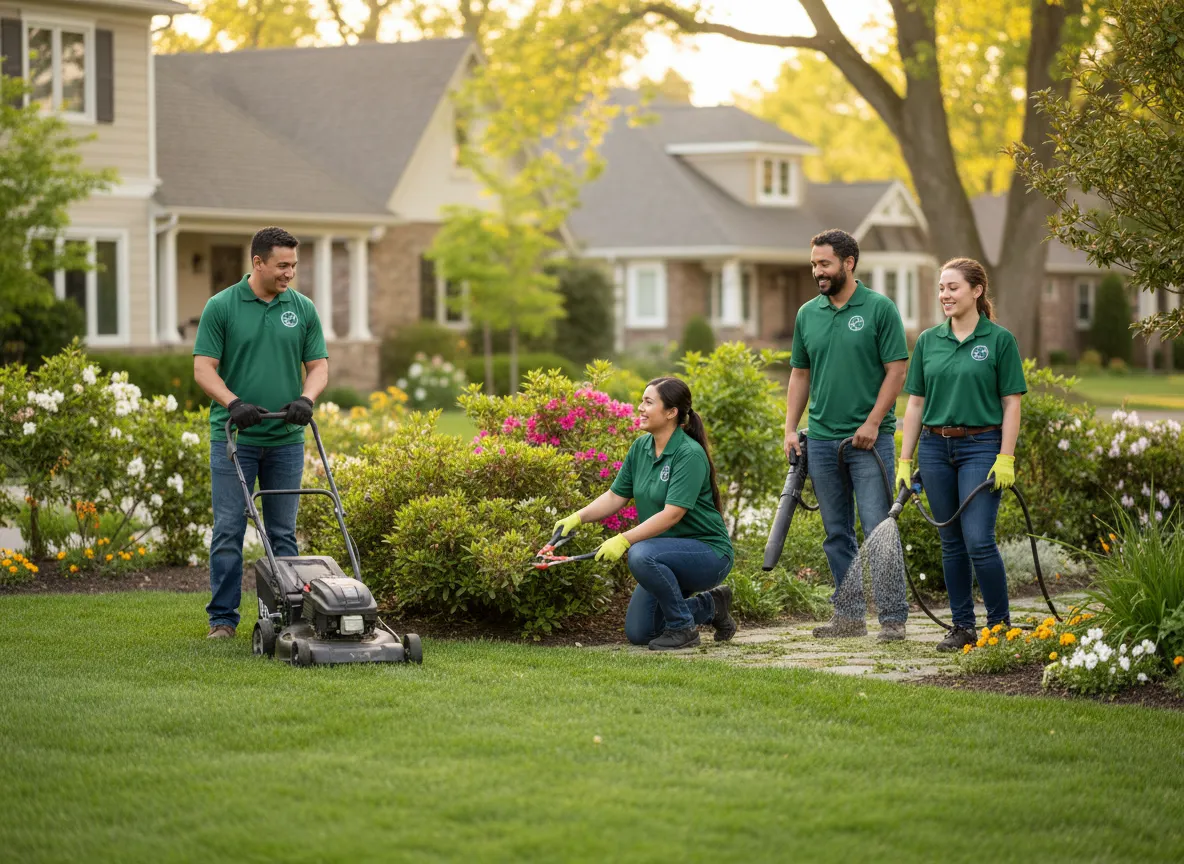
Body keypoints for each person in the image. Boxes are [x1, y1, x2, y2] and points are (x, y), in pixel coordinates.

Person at [193, 227, 329, 639]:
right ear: (258, 262)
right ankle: (222, 620)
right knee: (229, 528)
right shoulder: (222, 307)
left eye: (293, 265)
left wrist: (306, 398)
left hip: (286, 439)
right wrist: (233, 403)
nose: (289, 273)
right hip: (236, 439)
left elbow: (318, 365)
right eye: (282, 265)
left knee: (283, 533)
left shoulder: (302, 308)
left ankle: (287, 617)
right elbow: (203, 368)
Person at [784, 228, 911, 640]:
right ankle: (850, 616)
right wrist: (790, 427)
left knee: (878, 527)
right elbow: (800, 374)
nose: (818, 272)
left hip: (868, 441)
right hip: (821, 441)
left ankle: (893, 618)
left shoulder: (879, 309)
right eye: (814, 265)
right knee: (836, 531)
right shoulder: (808, 313)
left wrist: (874, 422)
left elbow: (897, 370)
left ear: (848, 263)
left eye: (825, 264)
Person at [896, 257, 1026, 653]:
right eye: (941, 288)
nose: (945, 295)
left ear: (976, 290)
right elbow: (915, 404)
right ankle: (962, 627)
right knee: (950, 542)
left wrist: (1006, 456)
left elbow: (1011, 404)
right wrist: (905, 460)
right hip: (935, 449)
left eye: (953, 287)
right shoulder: (929, 341)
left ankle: (1000, 626)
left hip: (981, 446)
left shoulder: (999, 341)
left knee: (978, 540)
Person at [553, 377, 735, 651]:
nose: (640, 407)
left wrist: (624, 539)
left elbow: (672, 514)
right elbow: (616, 496)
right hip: (665, 555)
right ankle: (711, 606)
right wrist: (577, 518)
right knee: (641, 631)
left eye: (648, 402)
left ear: (671, 412)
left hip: (708, 554)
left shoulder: (688, 454)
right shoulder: (641, 447)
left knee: (640, 553)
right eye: (641, 401)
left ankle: (683, 629)